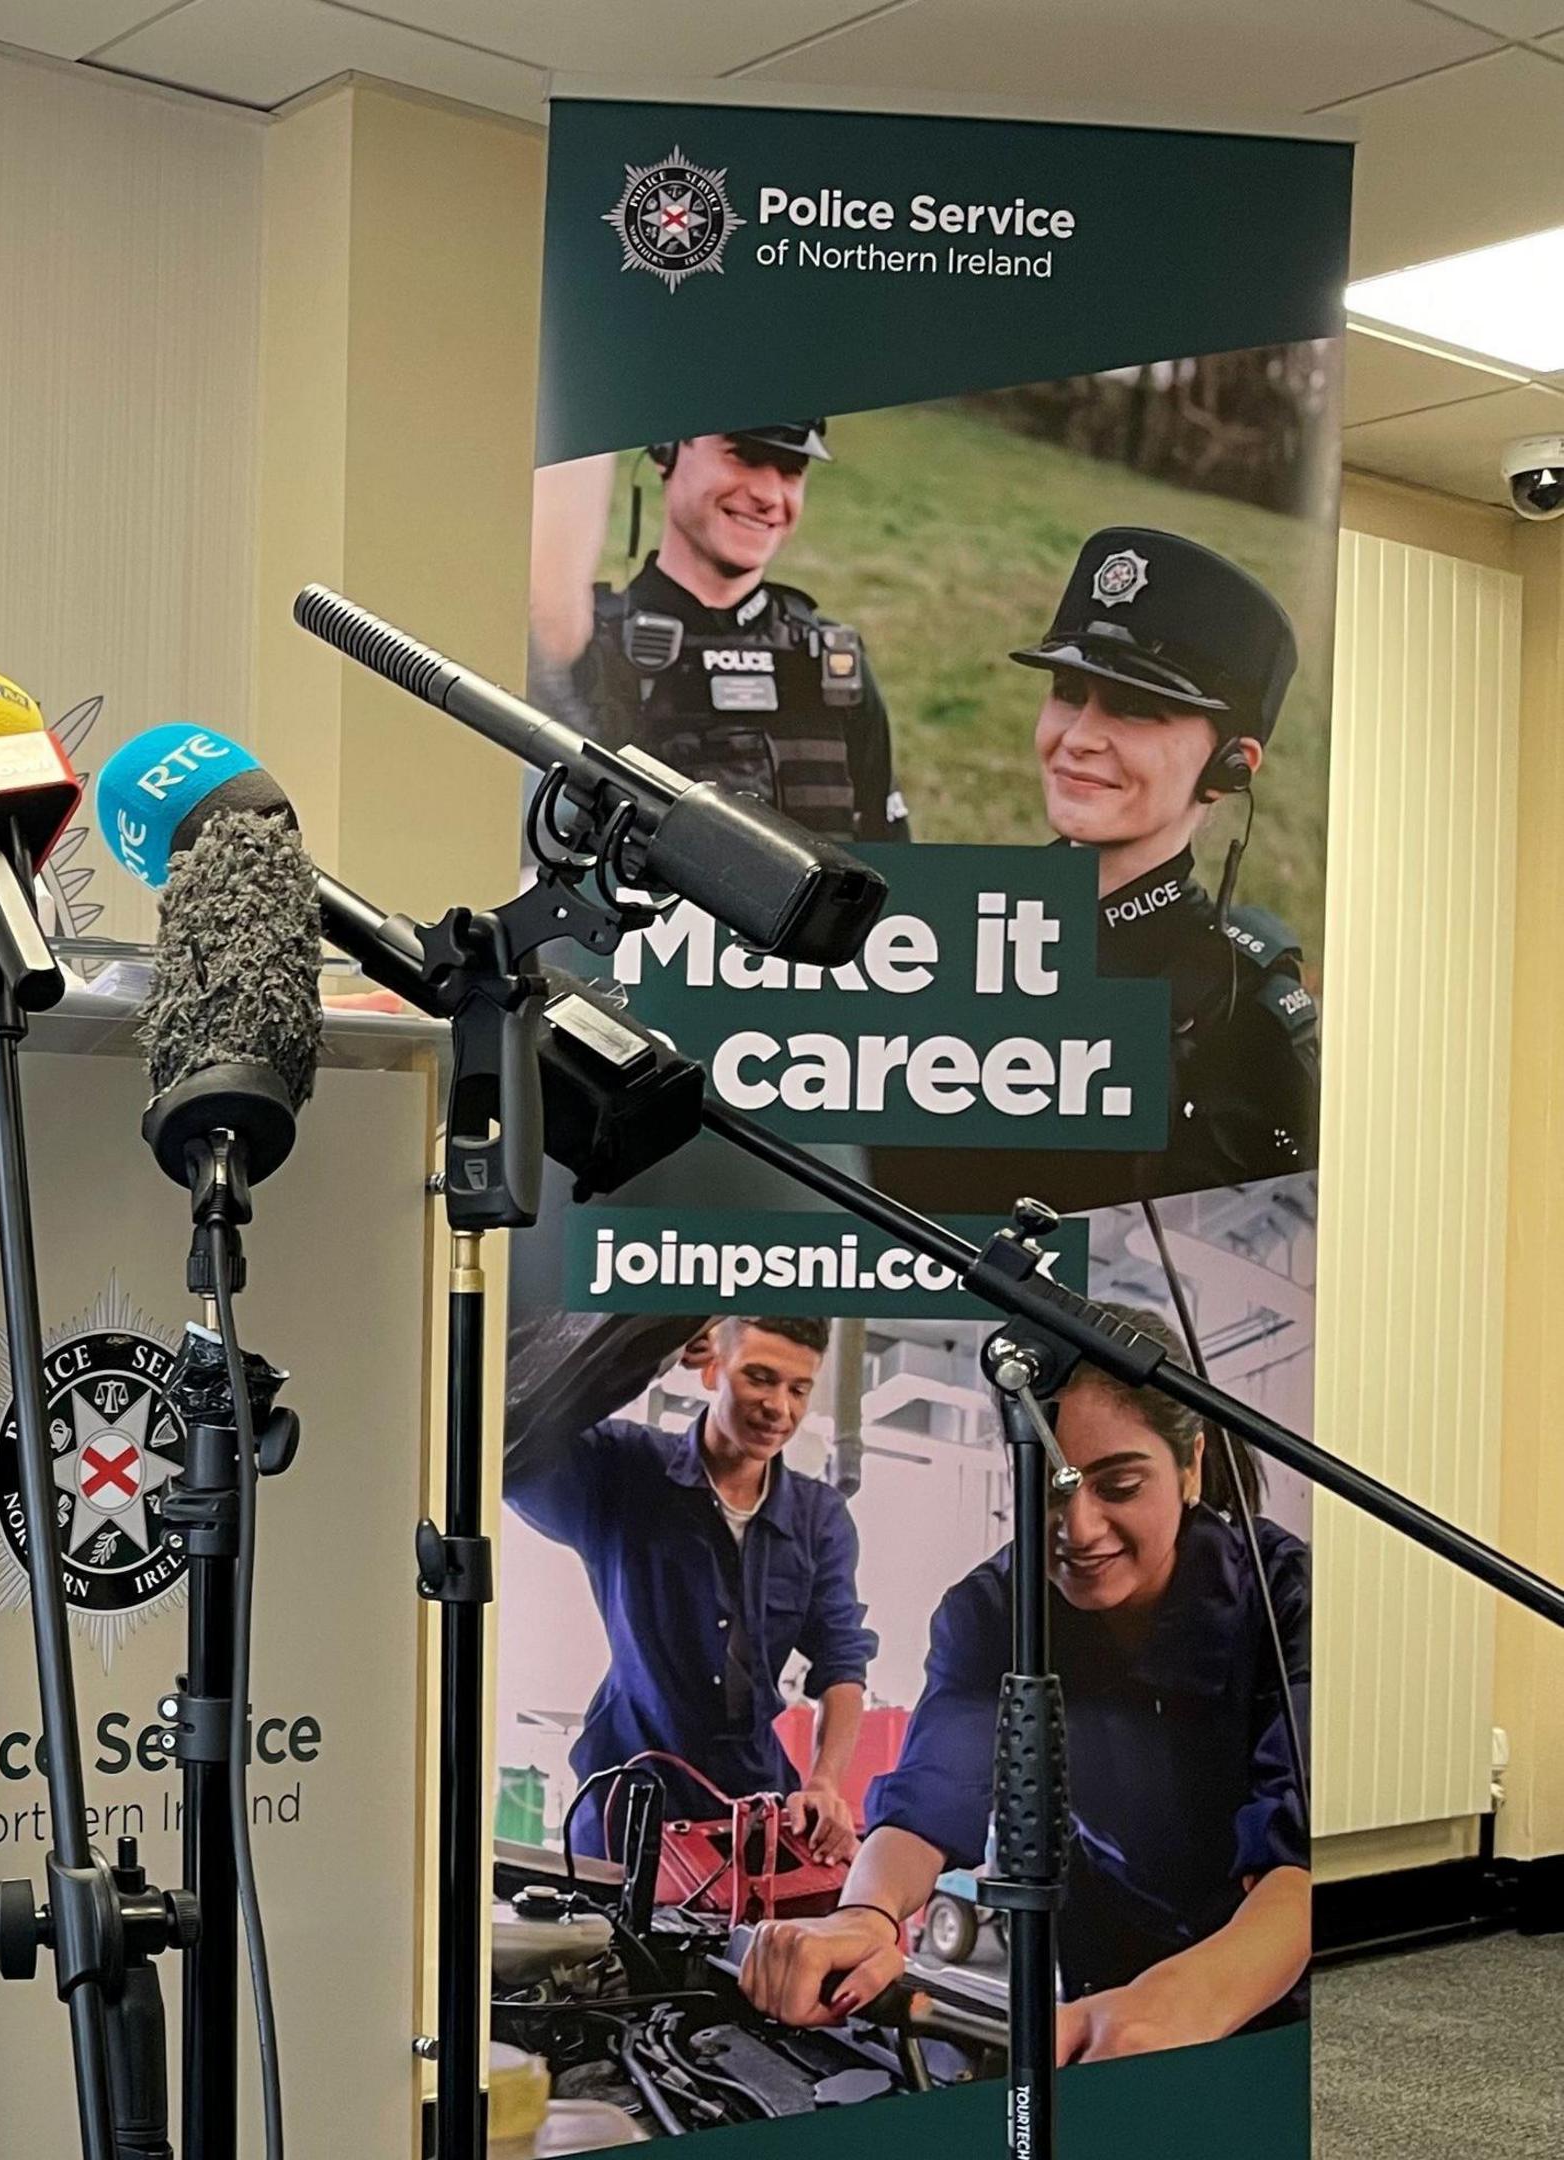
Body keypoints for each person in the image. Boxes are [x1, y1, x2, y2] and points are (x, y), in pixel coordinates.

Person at [737, 1305, 1309, 2063]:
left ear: (1191, 1464)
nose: (1080, 1527)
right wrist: (866, 1915)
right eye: (1047, 1487)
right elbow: (933, 1793)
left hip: (1260, 1964)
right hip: (1105, 1956)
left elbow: (1300, 1856)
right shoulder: (992, 1608)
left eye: (1120, 1484)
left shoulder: (1284, 1597)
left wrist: (1176, 2003)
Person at [880, 526, 1317, 1214]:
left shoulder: (1237, 1007)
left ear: (1231, 766)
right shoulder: (935, 941)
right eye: (1067, 691)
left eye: (1138, 708)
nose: (1079, 738)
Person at [504, 1314, 875, 1858]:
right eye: (760, 1378)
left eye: (799, 1389)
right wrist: (650, 1345)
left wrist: (824, 1781)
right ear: (710, 1369)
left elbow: (842, 1663)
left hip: (751, 1813)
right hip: (623, 1811)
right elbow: (513, 1442)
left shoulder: (821, 1519)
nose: (781, 1408)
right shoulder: (622, 1470)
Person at [530, 421, 904, 841]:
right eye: (744, 456)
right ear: (666, 451)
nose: (768, 494)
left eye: (792, 468)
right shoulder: (586, 651)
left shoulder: (833, 664)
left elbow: (893, 860)